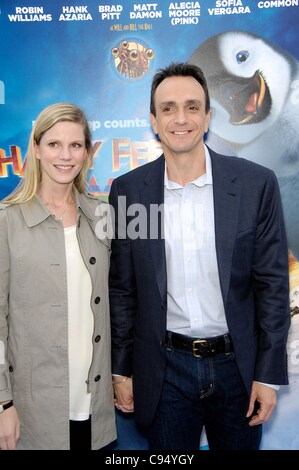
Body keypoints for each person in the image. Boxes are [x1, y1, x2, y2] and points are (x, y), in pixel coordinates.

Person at [108, 63, 291, 450]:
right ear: (154, 121)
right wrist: (122, 370)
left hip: (237, 369)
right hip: (165, 370)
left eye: (193, 107)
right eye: (169, 108)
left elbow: (272, 286)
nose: (181, 118)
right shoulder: (130, 192)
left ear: (208, 117)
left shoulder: (255, 185)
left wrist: (268, 375)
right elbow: (123, 290)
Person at [0, 103, 116, 450]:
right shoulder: (6, 222)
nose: (65, 155)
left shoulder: (103, 216)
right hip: (32, 416)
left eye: (76, 145)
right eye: (54, 144)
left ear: (87, 153)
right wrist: (3, 403)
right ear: (36, 149)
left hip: (96, 412)